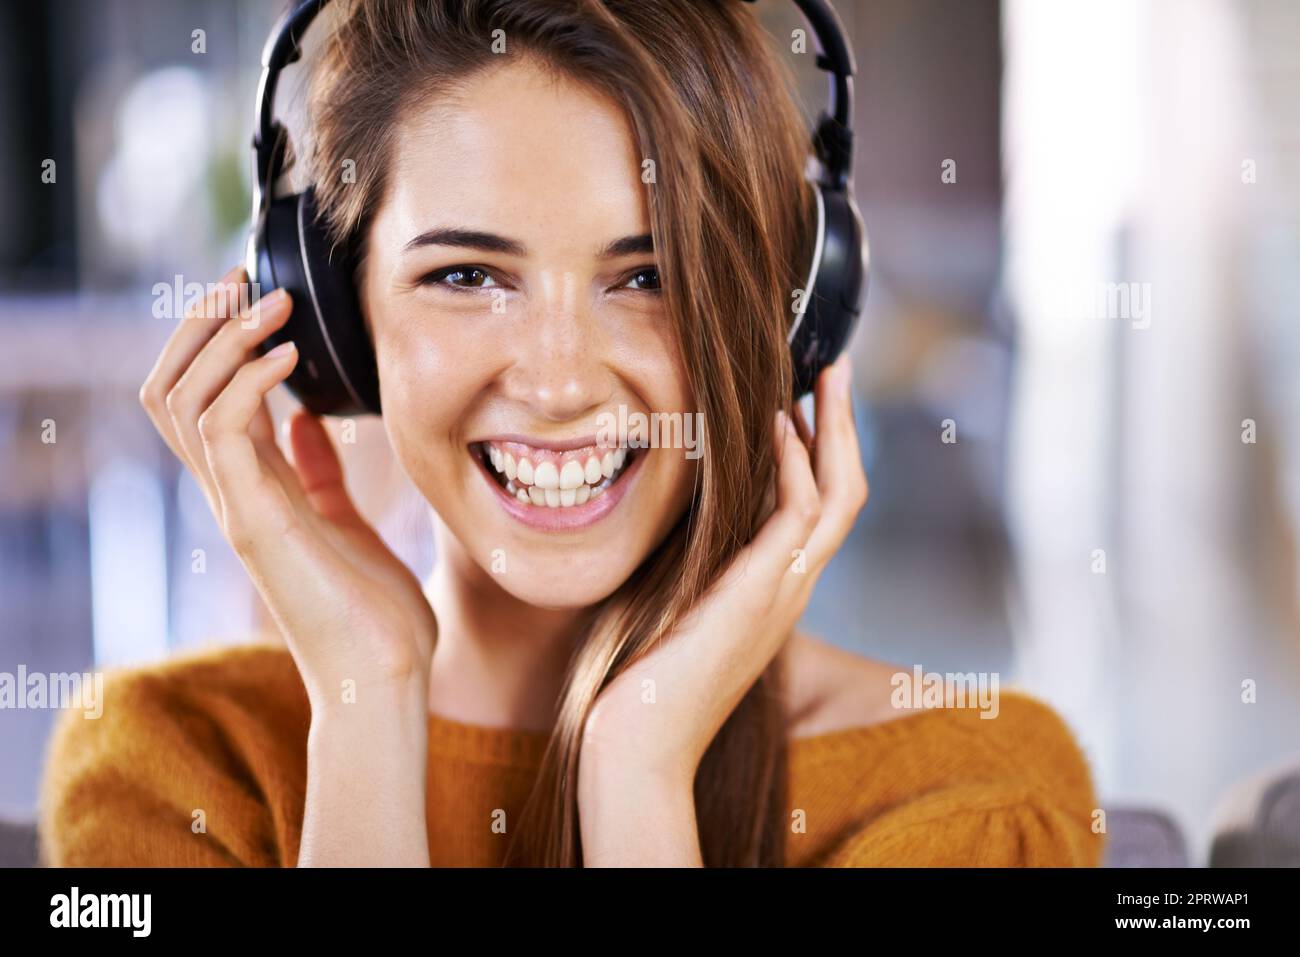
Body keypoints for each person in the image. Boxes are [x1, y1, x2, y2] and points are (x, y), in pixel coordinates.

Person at [38, 0, 1103, 867]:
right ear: (329, 316)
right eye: (465, 276)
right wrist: (369, 706)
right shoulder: (169, 772)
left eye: (648, 276)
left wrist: (636, 776)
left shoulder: (970, 796)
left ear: (785, 316)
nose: (556, 382)